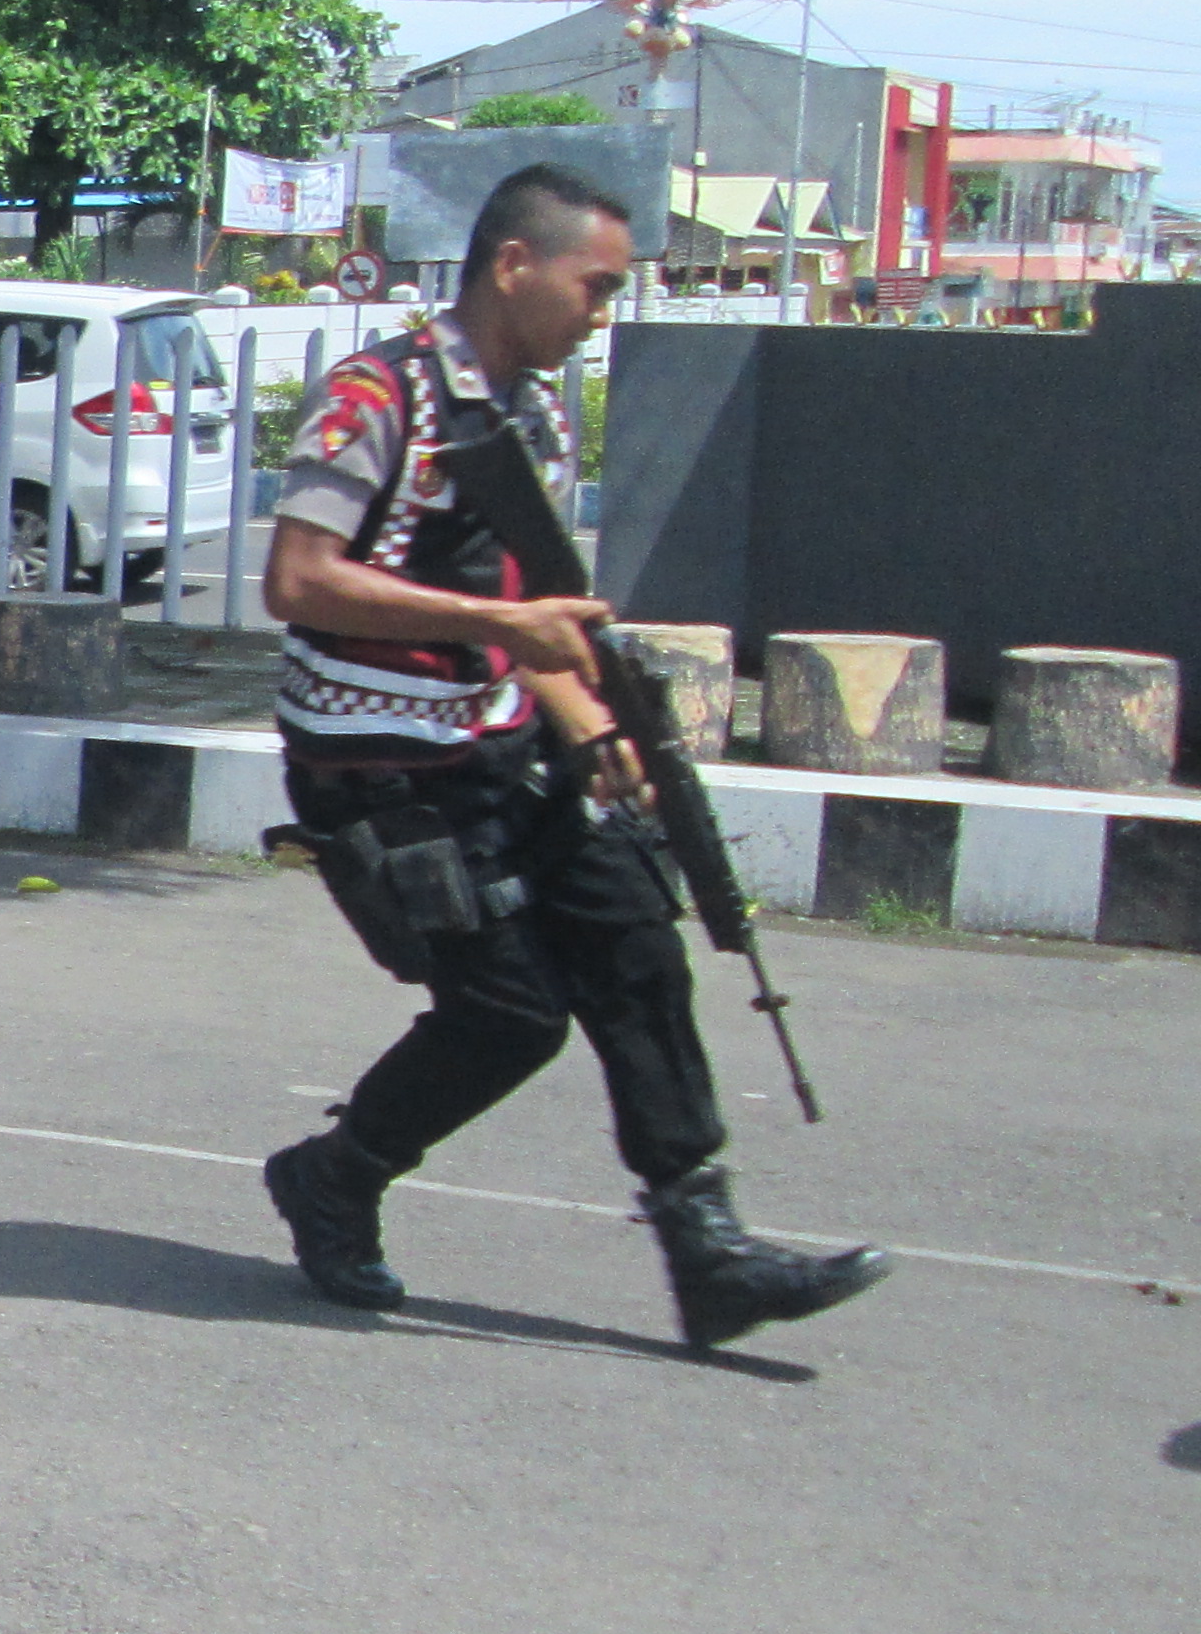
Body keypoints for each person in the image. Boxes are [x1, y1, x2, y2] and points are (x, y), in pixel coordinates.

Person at [258, 162, 883, 1350]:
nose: (606, 312)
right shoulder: (373, 396)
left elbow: (531, 608)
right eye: (595, 287)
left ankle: (709, 1255)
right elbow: (296, 581)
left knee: (639, 951)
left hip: (498, 744)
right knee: (509, 1016)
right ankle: (334, 1175)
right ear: (513, 266)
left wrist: (591, 723)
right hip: (375, 766)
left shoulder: (530, 417)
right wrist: (507, 634)